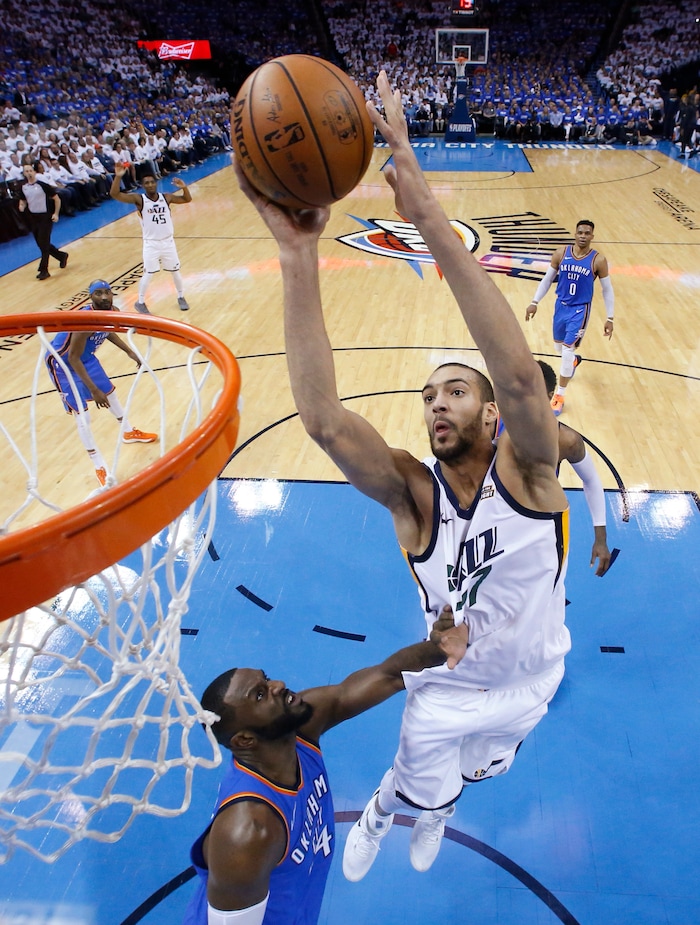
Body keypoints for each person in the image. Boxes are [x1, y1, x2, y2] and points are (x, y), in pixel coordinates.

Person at [235, 69, 571, 881]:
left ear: (493, 416)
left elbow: (524, 381)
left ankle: (438, 803)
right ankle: (388, 807)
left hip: (533, 676)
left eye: (455, 391)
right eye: (428, 397)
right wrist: (297, 253)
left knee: (472, 777)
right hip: (442, 681)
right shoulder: (413, 496)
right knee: (418, 776)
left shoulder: (529, 472)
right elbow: (322, 421)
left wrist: (425, 213)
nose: (436, 405)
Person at [183, 606, 462, 925]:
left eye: (267, 679)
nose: (278, 685)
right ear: (244, 741)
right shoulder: (248, 832)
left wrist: (437, 646)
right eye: (260, 695)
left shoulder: (300, 725)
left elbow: (389, 675)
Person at [495, 361, 611, 575]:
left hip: (539, 528)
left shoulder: (565, 440)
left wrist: (601, 538)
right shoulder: (492, 424)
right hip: (495, 522)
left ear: (549, 396)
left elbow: (591, 480)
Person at [45, 279, 158, 486]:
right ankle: (99, 466)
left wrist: (129, 351)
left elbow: (107, 332)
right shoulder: (83, 324)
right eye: (98, 293)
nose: (104, 297)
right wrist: (93, 390)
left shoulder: (111, 310)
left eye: (107, 292)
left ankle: (128, 431)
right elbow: (73, 358)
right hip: (64, 363)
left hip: (85, 358)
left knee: (111, 393)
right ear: (90, 297)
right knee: (83, 414)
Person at [525, 219, 615, 415]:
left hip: (579, 310)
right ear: (575, 233)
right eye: (580, 232)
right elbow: (548, 279)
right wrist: (535, 302)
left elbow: (607, 290)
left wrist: (610, 317)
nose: (583, 236)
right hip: (561, 306)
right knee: (559, 348)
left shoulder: (598, 260)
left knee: (566, 351)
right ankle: (573, 362)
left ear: (592, 236)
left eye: (587, 233)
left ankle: (560, 395)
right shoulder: (560, 254)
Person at [110, 163, 192, 313]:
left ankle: (181, 297)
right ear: (142, 186)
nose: (150, 184)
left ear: (156, 183)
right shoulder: (139, 199)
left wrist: (184, 187)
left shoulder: (166, 197)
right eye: (146, 183)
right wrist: (118, 176)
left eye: (152, 182)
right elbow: (115, 194)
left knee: (175, 271)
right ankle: (140, 302)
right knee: (149, 273)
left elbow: (187, 199)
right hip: (151, 244)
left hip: (168, 241)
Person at [17, 163, 68, 279]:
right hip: (33, 218)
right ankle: (61, 256)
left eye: (31, 170)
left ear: (34, 172)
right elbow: (23, 200)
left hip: (45, 216)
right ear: (24, 174)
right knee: (41, 243)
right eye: (27, 171)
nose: (29, 173)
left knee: (44, 244)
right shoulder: (24, 187)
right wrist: (21, 206)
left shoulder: (42, 185)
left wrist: (56, 213)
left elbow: (56, 199)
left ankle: (44, 270)